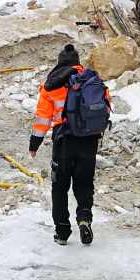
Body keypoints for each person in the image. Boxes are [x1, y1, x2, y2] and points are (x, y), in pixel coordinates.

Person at [28, 44, 110, 246]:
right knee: (84, 184)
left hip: (64, 141)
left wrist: (35, 143)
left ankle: (62, 232)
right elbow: (106, 107)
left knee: (60, 187)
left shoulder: (51, 85)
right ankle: (84, 218)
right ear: (77, 62)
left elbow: (42, 119)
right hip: (89, 141)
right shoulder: (92, 80)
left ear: (59, 62)